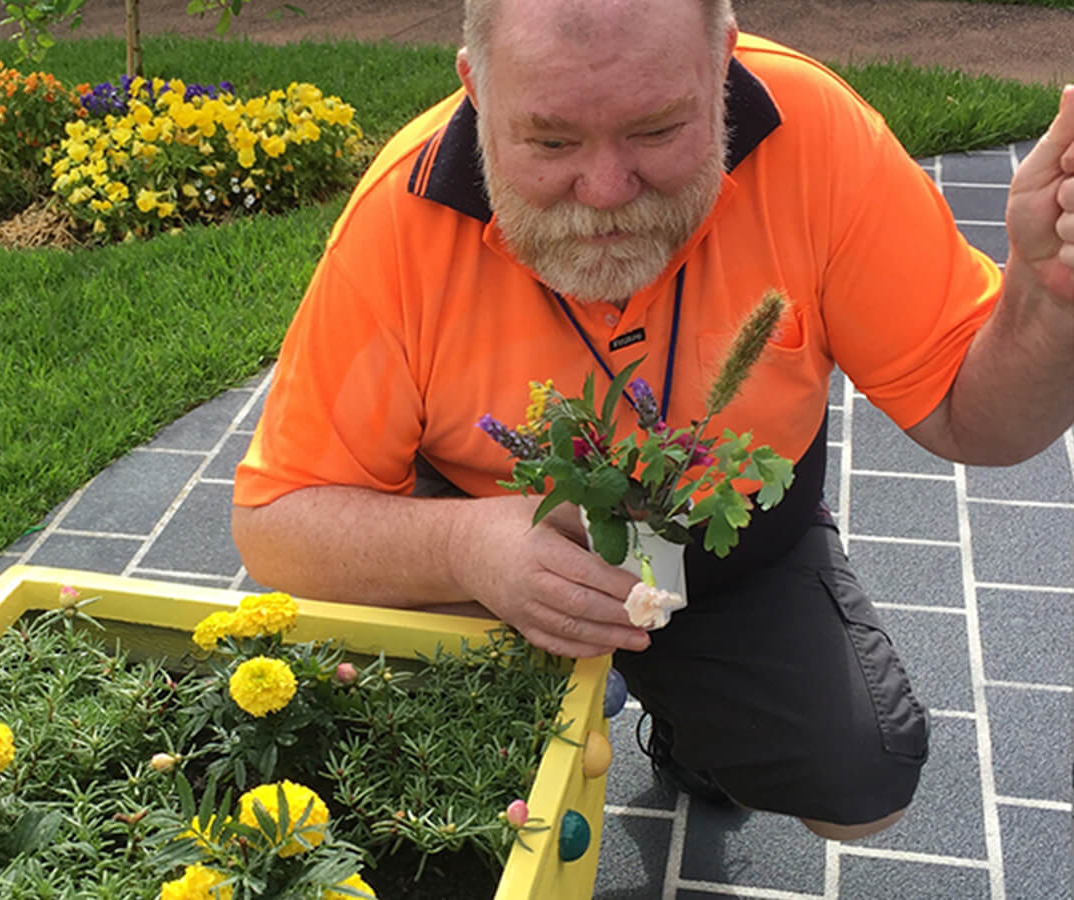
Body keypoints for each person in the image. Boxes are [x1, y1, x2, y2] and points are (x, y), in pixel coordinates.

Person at [231, 0, 1074, 842]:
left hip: (733, 551)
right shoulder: (398, 216)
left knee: (864, 781)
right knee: (439, 805)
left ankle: (687, 736)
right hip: (490, 563)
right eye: (552, 142)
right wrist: (465, 548)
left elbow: (975, 419)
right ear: (476, 93)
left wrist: (1049, 294)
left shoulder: (819, 133)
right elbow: (275, 523)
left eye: (658, 130)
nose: (604, 193)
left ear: (723, 70)